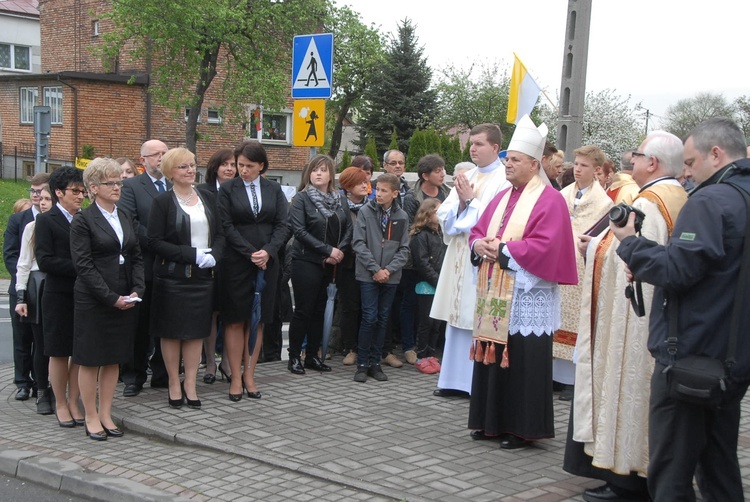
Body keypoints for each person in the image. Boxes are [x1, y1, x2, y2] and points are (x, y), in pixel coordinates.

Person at [612, 118, 750, 501]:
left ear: (716, 154)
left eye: (690, 162)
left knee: (671, 471)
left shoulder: (710, 200)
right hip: (732, 356)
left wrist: (631, 245)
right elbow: (715, 267)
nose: (685, 172)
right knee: (720, 466)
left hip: (691, 356)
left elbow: (679, 270)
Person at [564, 131, 688, 501]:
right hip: (661, 317)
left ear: (653, 162)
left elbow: (632, 259)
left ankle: (627, 477)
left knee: (629, 392)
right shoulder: (677, 196)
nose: (629, 163)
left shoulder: (651, 202)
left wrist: (594, 249)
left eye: (635, 156)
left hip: (635, 321)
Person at [468, 115, 578, 449]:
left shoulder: (550, 199)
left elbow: (546, 246)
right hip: (497, 293)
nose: (508, 164)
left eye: (514, 160)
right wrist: (479, 244)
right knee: (494, 356)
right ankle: (490, 423)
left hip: (528, 293)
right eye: (507, 159)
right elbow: (478, 229)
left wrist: (501, 249)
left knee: (523, 361)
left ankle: (521, 428)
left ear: (534, 164)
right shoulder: (502, 196)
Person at [431, 124, 509, 397]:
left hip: (482, 260)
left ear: (495, 148)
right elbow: (444, 215)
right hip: (459, 257)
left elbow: (494, 221)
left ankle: (474, 383)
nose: (473, 148)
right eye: (472, 143)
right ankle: (452, 381)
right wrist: (464, 203)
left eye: (479, 144)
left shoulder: (504, 180)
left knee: (474, 318)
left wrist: (470, 203)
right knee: (456, 318)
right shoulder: (468, 176)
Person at [71, 158, 145, 440]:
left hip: (125, 296)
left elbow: (136, 255)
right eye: (110, 183)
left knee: (113, 359)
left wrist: (138, 289)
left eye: (119, 182)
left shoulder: (124, 216)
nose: (117, 187)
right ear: (93, 188)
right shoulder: (83, 220)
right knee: (91, 359)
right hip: (94, 300)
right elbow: (84, 266)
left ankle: (106, 413)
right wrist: (110, 297)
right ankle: (90, 415)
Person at [149, 148, 224, 409]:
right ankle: (173, 382)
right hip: (172, 279)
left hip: (203, 278)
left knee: (195, 333)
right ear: (171, 172)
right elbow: (154, 242)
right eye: (183, 167)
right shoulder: (162, 202)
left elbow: (221, 233)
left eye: (192, 165)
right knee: (171, 333)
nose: (190, 170)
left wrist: (215, 254)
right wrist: (190, 254)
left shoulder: (206, 197)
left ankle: (191, 384)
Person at [218, 141, 290, 401]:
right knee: (236, 318)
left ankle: (250, 374)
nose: (243, 170)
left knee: (257, 319)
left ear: (262, 166)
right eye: (240, 165)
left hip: (267, 262)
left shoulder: (274, 189)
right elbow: (225, 226)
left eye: (249, 166)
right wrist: (250, 252)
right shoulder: (227, 190)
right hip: (237, 262)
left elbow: (283, 224)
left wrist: (268, 251)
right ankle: (235, 377)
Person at [555, 145, 613, 399]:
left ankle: (572, 379)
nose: (577, 169)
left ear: (597, 170)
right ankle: (554, 376)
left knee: (576, 318)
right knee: (556, 314)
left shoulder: (604, 202)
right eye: (575, 164)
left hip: (582, 267)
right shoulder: (562, 194)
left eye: (584, 165)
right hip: (558, 263)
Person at [287, 155, 352, 374]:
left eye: (323, 170)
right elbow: (299, 231)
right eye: (314, 170)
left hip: (332, 263)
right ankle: (294, 355)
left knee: (320, 310)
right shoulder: (301, 199)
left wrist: (339, 251)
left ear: (331, 175)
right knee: (304, 310)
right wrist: (326, 251)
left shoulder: (340, 199)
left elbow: (348, 228)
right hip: (306, 260)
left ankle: (312, 356)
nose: (318, 174)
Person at [119, 140, 172, 396]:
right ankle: (134, 375)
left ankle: (162, 373)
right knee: (139, 327)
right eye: (156, 154)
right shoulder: (130, 187)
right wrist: (160, 243)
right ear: (143, 160)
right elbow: (129, 222)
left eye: (165, 153)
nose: (161, 158)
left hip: (171, 268)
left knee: (166, 324)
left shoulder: (176, 185)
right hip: (144, 267)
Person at [35, 166, 86, 428]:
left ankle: (75, 400)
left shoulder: (86, 218)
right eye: (75, 191)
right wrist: (82, 268)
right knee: (58, 351)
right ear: (58, 192)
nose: (80, 196)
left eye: (83, 191)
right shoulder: (46, 220)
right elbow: (45, 260)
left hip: (84, 295)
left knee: (79, 352)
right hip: (58, 294)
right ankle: (60, 402)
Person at [352, 173, 410, 383]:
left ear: (395, 193)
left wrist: (388, 270)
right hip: (368, 274)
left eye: (384, 190)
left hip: (391, 277)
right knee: (369, 317)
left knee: (383, 318)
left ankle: (376, 363)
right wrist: (376, 269)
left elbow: (404, 249)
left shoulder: (401, 216)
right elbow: (358, 243)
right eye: (377, 189)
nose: (379, 194)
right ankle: (362, 363)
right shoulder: (366, 211)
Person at [3, 172, 50, 402]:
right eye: (32, 190)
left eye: (40, 190)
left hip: (46, 287)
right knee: (22, 339)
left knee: (41, 340)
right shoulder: (19, 221)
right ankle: (22, 382)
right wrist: (24, 283)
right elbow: (11, 255)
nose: (36, 195)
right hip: (23, 289)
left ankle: (42, 380)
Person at [196, 148, 237, 383]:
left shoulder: (240, 190)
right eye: (225, 164)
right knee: (211, 314)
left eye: (233, 164)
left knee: (231, 314)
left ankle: (228, 363)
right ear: (215, 168)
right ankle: (210, 363)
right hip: (210, 259)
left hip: (235, 260)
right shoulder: (202, 192)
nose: (229, 168)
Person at [14, 185, 53, 414]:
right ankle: (41, 390)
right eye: (41, 198)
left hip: (61, 283)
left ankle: (60, 390)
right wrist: (21, 295)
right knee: (40, 344)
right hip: (38, 285)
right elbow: (24, 262)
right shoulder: (32, 226)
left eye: (48, 198)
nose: (42, 202)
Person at [337, 167, 370, 366]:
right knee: (349, 307)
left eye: (366, 181)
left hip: (368, 263)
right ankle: (350, 347)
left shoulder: (373, 206)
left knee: (368, 308)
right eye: (360, 183)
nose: (365, 185)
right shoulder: (339, 207)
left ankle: (366, 347)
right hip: (347, 263)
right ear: (348, 187)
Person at [409, 198, 446, 374]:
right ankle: (422, 354)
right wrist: (438, 281)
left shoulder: (442, 233)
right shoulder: (420, 236)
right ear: (428, 213)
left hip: (441, 284)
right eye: (438, 211)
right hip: (427, 284)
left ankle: (433, 353)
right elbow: (422, 263)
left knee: (437, 323)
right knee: (426, 321)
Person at [403, 154, 450, 224]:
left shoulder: (448, 193)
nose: (442, 174)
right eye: (438, 171)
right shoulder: (412, 198)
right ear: (425, 176)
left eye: (442, 170)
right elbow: (409, 226)